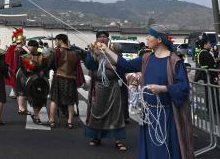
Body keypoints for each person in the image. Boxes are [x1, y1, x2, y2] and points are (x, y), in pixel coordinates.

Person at [97, 25, 194, 159]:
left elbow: (183, 87)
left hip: (167, 115)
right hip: (148, 114)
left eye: (150, 36)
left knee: (165, 150)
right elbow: (126, 65)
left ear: (159, 39)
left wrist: (163, 88)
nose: (146, 38)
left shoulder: (174, 61)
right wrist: (106, 50)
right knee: (150, 150)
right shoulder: (146, 58)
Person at [84, 31, 127, 151]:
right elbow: (90, 66)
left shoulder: (114, 51)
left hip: (113, 85)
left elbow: (122, 66)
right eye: (100, 37)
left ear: (108, 40)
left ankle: (118, 140)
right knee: (96, 112)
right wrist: (92, 53)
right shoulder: (93, 50)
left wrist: (110, 65)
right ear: (96, 39)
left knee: (116, 113)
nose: (102, 39)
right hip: (98, 86)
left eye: (105, 37)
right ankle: (96, 137)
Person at [48, 33, 82, 129]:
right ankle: (70, 122)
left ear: (60, 41)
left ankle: (51, 120)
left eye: (56, 40)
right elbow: (77, 68)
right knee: (70, 101)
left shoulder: (56, 52)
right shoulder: (75, 53)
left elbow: (50, 65)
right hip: (71, 79)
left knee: (54, 99)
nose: (55, 42)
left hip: (58, 77)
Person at [20, 39, 50, 124]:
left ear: (36, 47)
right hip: (30, 80)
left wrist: (43, 71)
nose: (30, 47)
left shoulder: (43, 56)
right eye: (29, 46)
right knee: (34, 98)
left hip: (41, 79)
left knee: (42, 98)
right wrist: (27, 71)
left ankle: (35, 114)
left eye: (32, 46)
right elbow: (22, 67)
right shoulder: (25, 56)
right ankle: (36, 116)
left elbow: (46, 66)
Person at [5, 28, 26, 102]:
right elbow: (8, 58)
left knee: (17, 80)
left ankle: (16, 93)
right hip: (15, 65)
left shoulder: (18, 47)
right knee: (15, 79)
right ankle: (16, 93)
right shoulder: (13, 47)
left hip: (17, 65)